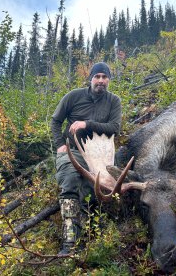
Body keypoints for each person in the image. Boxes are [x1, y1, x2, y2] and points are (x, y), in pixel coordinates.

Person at [51, 62, 122, 255]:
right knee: (70, 181)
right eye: (97, 76)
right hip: (73, 151)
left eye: (104, 77)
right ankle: (70, 242)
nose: (100, 81)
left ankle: (91, 238)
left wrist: (86, 124)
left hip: (99, 156)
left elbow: (114, 128)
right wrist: (60, 145)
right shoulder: (73, 96)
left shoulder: (113, 101)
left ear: (108, 80)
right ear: (90, 78)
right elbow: (56, 121)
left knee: (94, 192)